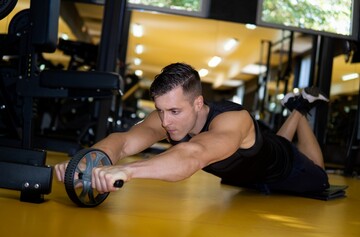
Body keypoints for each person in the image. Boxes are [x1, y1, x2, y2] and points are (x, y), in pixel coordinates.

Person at [55, 62, 330, 195]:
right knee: (264, 153)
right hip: (249, 174)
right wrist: (85, 161)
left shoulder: (233, 120)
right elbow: (124, 142)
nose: (165, 122)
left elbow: (193, 154)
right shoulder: (168, 118)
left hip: (284, 167)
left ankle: (301, 108)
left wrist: (127, 170)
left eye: (174, 111)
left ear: (198, 103)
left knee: (319, 173)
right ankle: (297, 106)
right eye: (161, 110)